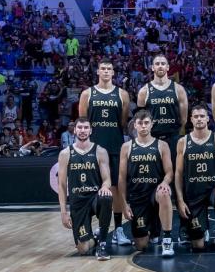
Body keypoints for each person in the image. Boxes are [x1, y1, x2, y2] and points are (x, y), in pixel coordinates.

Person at [79, 58, 131, 246]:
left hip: (115, 146)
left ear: (113, 72)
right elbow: (82, 122)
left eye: (109, 68)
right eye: (103, 68)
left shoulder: (123, 94)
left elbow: (123, 122)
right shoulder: (87, 94)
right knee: (96, 188)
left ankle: (117, 229)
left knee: (115, 188)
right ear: (98, 71)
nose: (106, 71)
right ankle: (99, 226)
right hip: (94, 149)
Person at [136, 54, 188, 242]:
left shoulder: (178, 89)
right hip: (153, 140)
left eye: (163, 63)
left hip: (173, 139)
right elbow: (140, 117)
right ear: (152, 68)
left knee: (179, 182)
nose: (160, 66)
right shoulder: (144, 91)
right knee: (153, 183)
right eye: (156, 63)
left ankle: (184, 228)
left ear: (168, 67)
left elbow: (183, 118)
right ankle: (155, 230)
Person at [174, 105, 215, 257]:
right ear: (191, 120)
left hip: (213, 190)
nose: (199, 119)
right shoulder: (183, 142)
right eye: (196, 116)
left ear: (208, 119)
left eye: (202, 116)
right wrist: (180, 200)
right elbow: (179, 173)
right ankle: (203, 230)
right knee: (198, 245)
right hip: (193, 193)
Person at [118, 110, 174, 257]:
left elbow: (170, 172)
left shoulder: (162, 145)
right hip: (137, 197)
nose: (143, 126)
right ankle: (154, 230)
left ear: (152, 124)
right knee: (141, 246)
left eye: (146, 123)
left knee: (163, 192)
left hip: (155, 193)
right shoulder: (127, 147)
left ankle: (167, 238)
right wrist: (124, 204)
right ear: (134, 125)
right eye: (140, 123)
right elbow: (122, 178)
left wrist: (165, 182)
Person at [57, 117, 113, 260]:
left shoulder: (100, 151)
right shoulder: (65, 154)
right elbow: (62, 185)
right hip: (78, 202)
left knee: (106, 196)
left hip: (95, 198)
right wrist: (63, 212)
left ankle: (103, 244)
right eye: (80, 127)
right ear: (74, 130)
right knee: (83, 249)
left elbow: (107, 179)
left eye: (86, 127)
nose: (83, 130)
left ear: (91, 130)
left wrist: (105, 186)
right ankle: (95, 237)